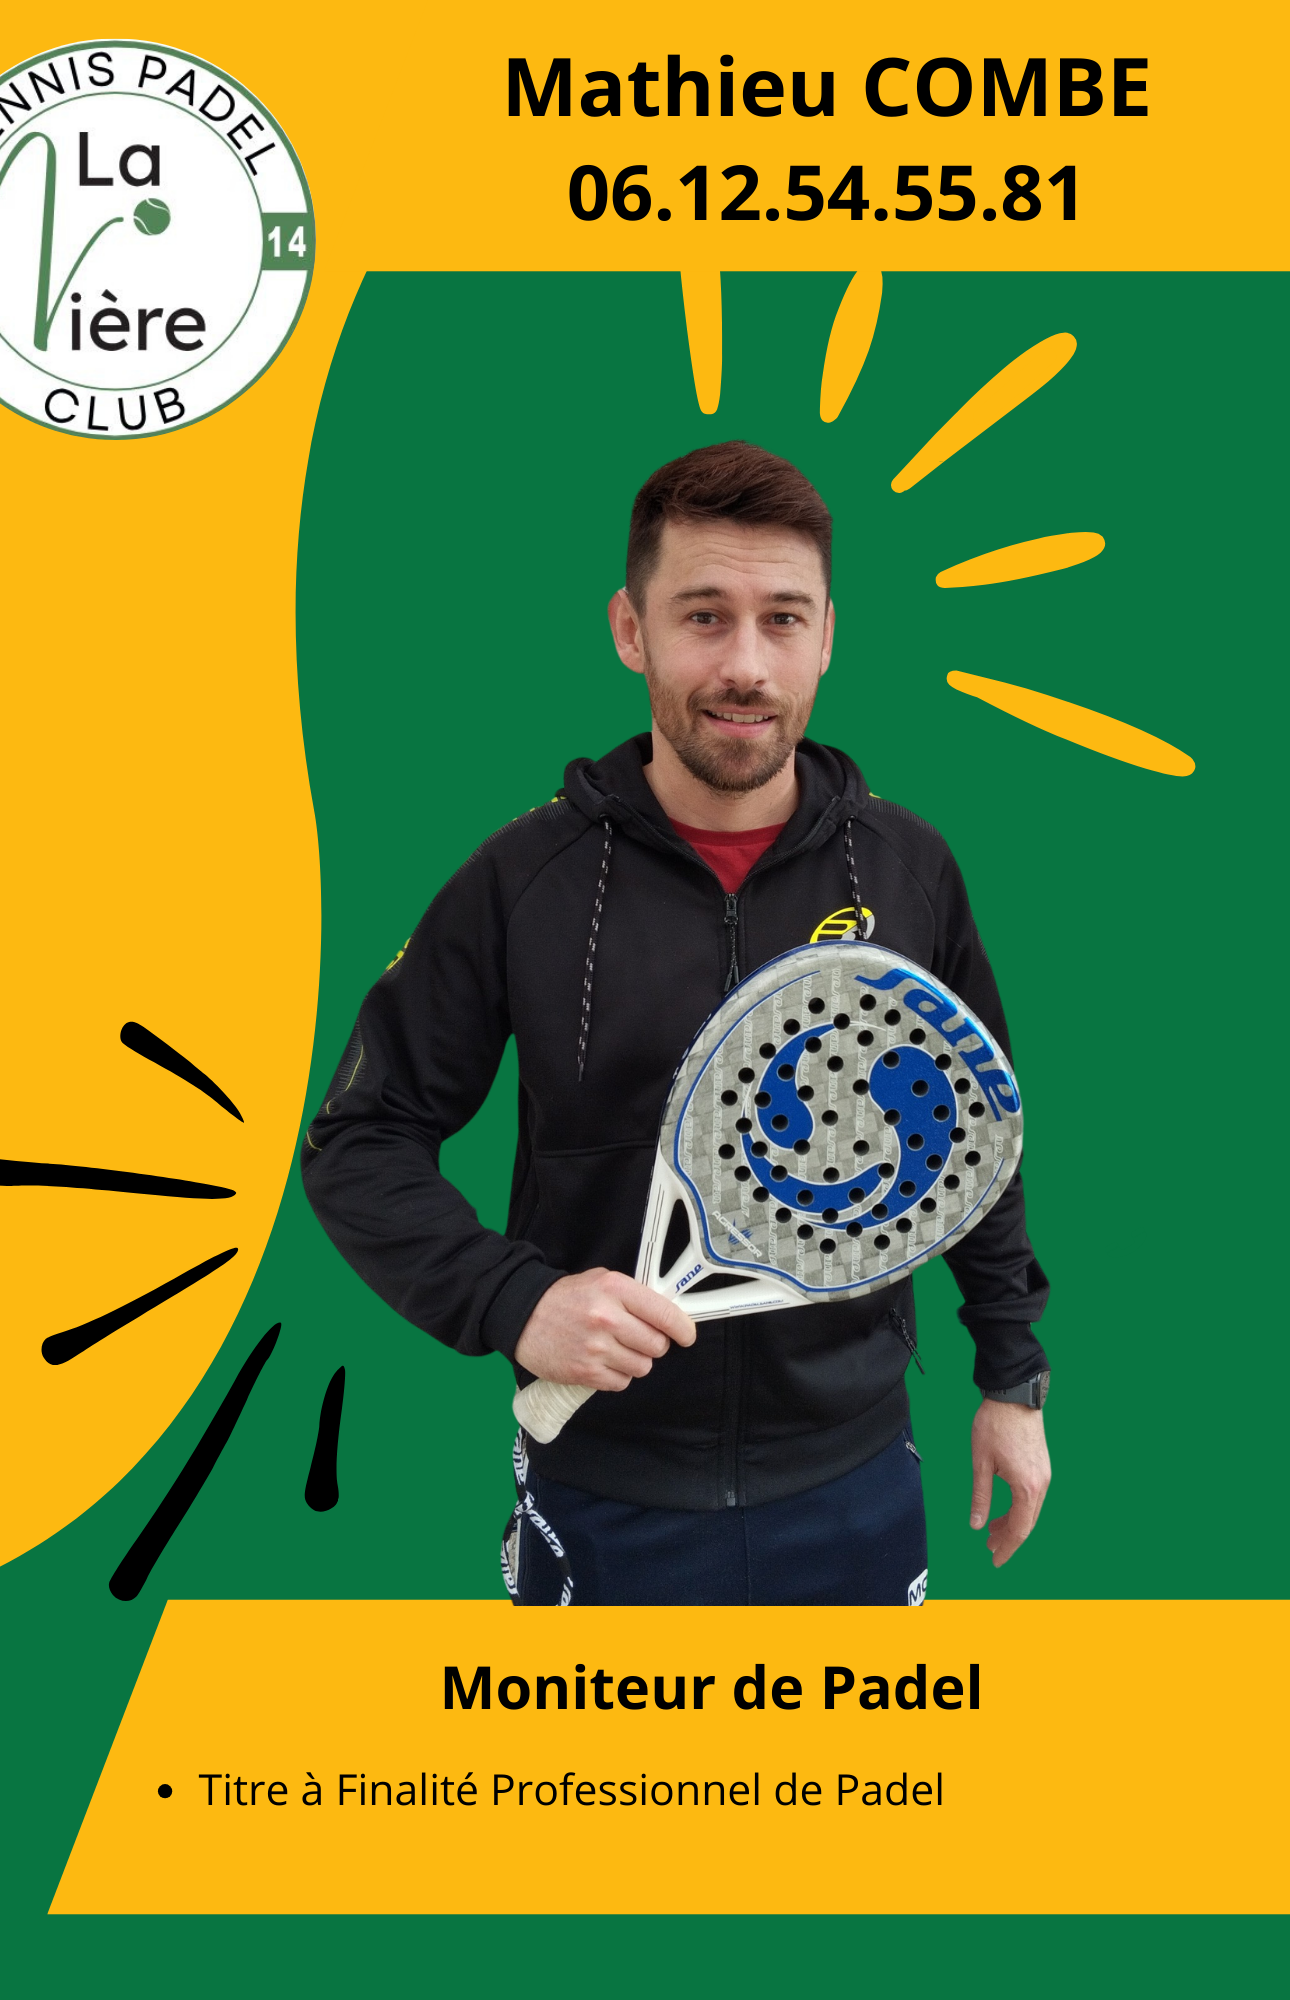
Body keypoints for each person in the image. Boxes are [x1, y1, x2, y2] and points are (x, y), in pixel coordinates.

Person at [301, 440, 1051, 1607]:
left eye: (782, 619)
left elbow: (967, 1139)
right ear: (630, 629)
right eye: (703, 616)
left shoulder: (912, 869)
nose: (745, 664)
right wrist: (516, 1299)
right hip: (602, 1490)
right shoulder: (521, 880)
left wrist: (1011, 1378)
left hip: (854, 1476)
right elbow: (359, 1139)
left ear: (826, 637)